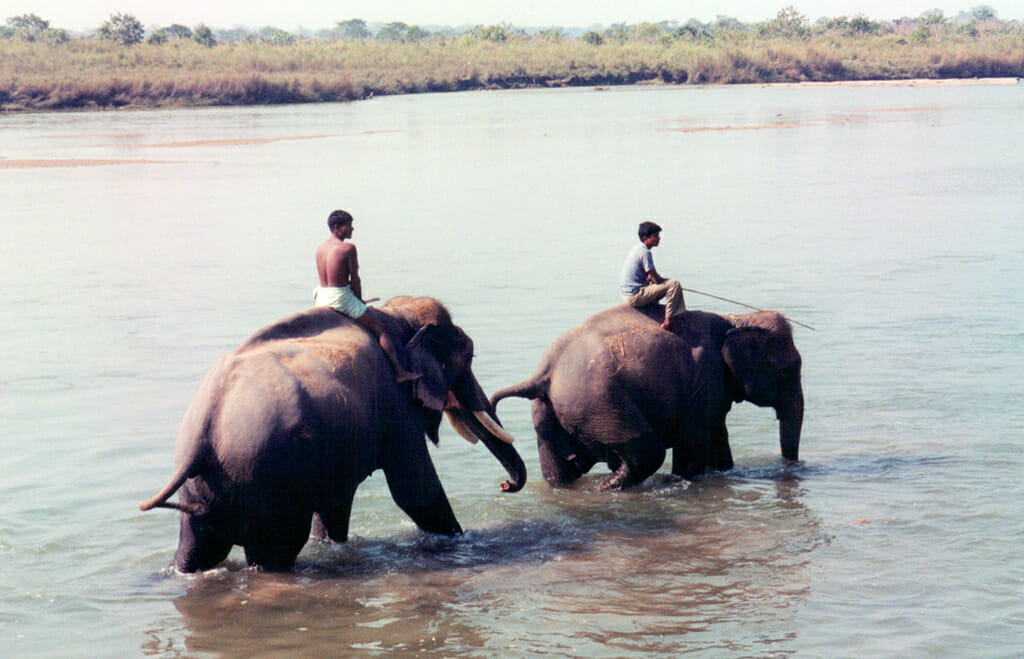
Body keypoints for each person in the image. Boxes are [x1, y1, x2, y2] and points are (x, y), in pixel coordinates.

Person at [314, 209, 419, 382]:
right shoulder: (348, 248)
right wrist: (358, 300)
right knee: (381, 330)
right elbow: (354, 278)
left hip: (322, 296)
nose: (352, 229)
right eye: (348, 225)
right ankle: (400, 372)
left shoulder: (321, 248)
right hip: (340, 297)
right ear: (337, 227)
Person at [619, 221, 685, 330]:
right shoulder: (645, 253)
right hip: (634, 296)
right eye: (655, 236)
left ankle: (654, 308)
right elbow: (655, 278)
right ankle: (669, 320)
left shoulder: (637, 248)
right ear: (646, 238)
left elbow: (650, 275)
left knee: (657, 283)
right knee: (674, 284)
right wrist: (666, 282)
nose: (659, 238)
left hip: (626, 294)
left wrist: (659, 281)